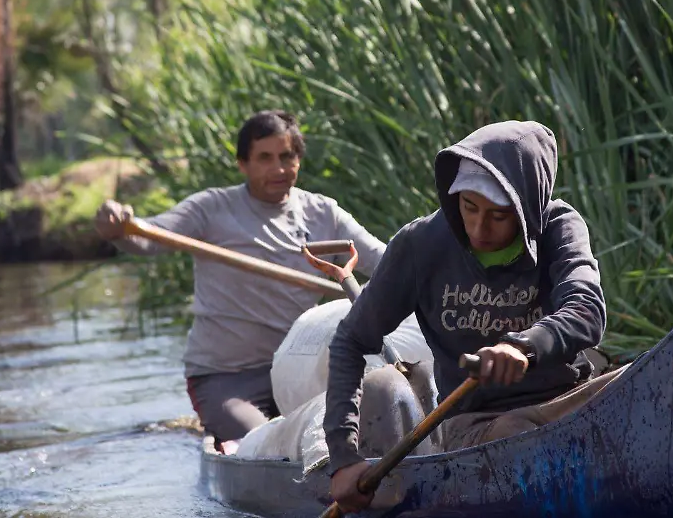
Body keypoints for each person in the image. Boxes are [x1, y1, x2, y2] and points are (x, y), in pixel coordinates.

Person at [322, 120, 612, 511]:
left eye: (498, 215)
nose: (478, 228)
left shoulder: (558, 227)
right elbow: (351, 341)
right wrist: (343, 458)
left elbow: (587, 308)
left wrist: (525, 346)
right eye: (469, 206)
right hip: (476, 423)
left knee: (645, 374)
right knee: (516, 435)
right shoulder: (420, 244)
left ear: (528, 206)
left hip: (565, 401)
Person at [94, 110, 387, 452]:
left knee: (366, 427)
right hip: (226, 378)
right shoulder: (211, 208)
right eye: (264, 158)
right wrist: (117, 227)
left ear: (299, 161)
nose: (278, 169)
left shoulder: (325, 214)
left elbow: (387, 264)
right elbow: (145, 238)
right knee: (265, 445)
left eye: (286, 157)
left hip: (298, 368)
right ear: (242, 164)